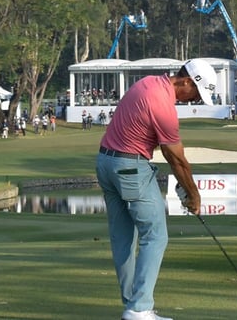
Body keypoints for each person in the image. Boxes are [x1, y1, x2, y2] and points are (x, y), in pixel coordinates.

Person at [96, 59, 213, 320]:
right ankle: (139, 309)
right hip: (129, 167)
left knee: (123, 238)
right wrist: (193, 195)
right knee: (155, 235)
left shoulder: (148, 82)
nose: (195, 99)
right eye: (196, 92)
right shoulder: (162, 104)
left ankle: (132, 306)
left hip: (105, 163)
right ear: (186, 81)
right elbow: (176, 159)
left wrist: (185, 186)